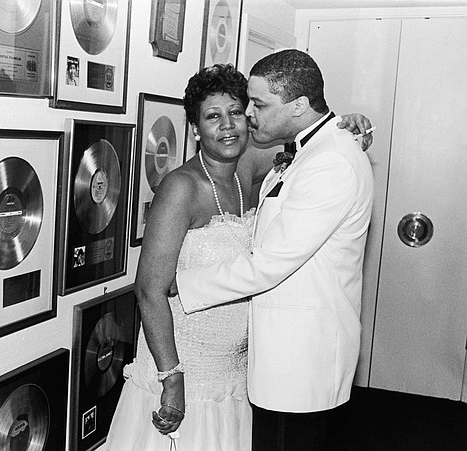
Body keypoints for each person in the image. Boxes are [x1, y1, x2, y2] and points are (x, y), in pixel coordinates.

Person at [102, 63, 373, 450]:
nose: (228, 126)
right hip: (187, 363)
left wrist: (344, 124)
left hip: (236, 370)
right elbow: (148, 291)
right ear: (195, 128)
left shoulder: (247, 167)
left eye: (237, 113)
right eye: (213, 117)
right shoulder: (180, 188)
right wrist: (172, 377)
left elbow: (308, 140)